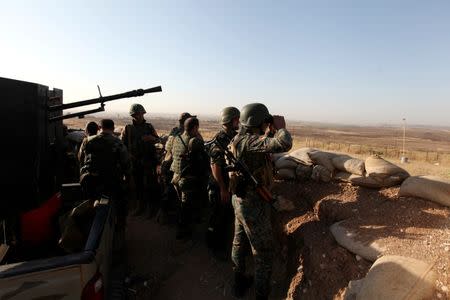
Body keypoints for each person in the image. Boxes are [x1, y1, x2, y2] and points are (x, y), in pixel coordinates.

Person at [229, 103, 292, 299]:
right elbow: (284, 144)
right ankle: (261, 295)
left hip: (240, 201)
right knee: (264, 253)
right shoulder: (249, 142)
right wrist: (280, 127)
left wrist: (269, 130)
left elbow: (265, 143)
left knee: (239, 243)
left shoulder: (239, 139)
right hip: (253, 205)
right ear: (258, 122)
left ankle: (238, 284)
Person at [79, 119, 131, 238]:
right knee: (121, 205)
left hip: (90, 181)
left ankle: (88, 232)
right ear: (113, 128)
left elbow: (81, 160)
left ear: (99, 127)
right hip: (111, 182)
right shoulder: (117, 143)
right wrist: (127, 180)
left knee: (90, 204)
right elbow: (126, 164)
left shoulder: (87, 141)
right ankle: (120, 231)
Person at [205, 107, 240, 259]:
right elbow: (215, 166)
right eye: (237, 119)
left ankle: (217, 245)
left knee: (224, 218)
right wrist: (223, 189)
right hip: (219, 186)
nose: (239, 122)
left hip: (225, 185)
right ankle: (215, 249)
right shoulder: (220, 139)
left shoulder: (233, 136)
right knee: (218, 219)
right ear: (232, 120)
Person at [170, 116, 209, 239]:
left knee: (181, 204)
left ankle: (182, 226)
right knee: (186, 207)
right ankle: (182, 233)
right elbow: (203, 158)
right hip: (186, 180)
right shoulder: (194, 141)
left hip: (175, 176)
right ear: (195, 127)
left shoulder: (176, 138)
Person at [121, 103, 161, 218]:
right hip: (135, 161)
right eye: (135, 114)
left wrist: (152, 138)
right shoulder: (128, 129)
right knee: (138, 186)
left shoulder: (149, 127)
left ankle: (150, 208)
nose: (138, 116)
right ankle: (139, 207)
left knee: (150, 185)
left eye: (140, 114)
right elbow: (122, 145)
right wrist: (129, 155)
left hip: (149, 160)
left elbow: (157, 140)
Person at [159, 112, 194, 224]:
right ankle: (171, 217)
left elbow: (167, 148)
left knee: (168, 191)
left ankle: (164, 214)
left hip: (167, 165)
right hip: (177, 168)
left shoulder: (174, 131)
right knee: (176, 194)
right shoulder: (186, 133)